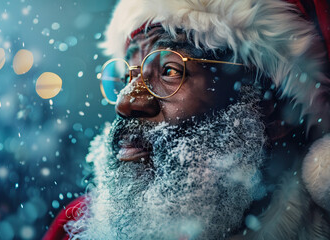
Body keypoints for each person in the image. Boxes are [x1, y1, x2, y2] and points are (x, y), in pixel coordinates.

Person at [44, 0, 330, 239]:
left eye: (170, 71)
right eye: (128, 75)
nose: (126, 101)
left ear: (270, 110)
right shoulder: (71, 229)